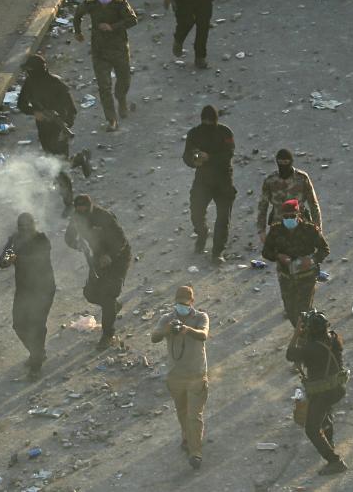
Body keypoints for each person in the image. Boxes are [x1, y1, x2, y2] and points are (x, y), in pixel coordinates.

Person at [17, 55, 91, 213]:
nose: (27, 74)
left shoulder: (57, 84)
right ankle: (79, 159)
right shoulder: (30, 83)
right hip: (43, 131)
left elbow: (72, 110)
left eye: (30, 71)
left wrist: (65, 128)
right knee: (54, 163)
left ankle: (68, 202)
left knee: (59, 168)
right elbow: (21, 104)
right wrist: (35, 112)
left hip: (59, 131)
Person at [151, 285, 210, 471]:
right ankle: (187, 437)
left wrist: (188, 330)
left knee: (195, 415)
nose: (181, 307)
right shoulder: (167, 318)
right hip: (175, 376)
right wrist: (166, 330)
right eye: (178, 304)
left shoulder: (200, 317)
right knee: (182, 412)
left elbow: (204, 335)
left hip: (196, 374)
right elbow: (154, 337)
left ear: (192, 302)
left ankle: (196, 453)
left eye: (185, 304)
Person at [286, 309, 349, 475]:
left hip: (323, 392)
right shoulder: (334, 338)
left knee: (311, 429)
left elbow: (290, 354)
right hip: (336, 389)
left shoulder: (312, 348)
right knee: (325, 415)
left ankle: (335, 461)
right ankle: (330, 443)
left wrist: (297, 331)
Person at [65, 194, 132, 350]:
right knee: (91, 293)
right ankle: (113, 307)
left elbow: (121, 240)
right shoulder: (76, 218)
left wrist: (110, 256)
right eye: (79, 210)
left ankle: (107, 334)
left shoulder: (104, 216)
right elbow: (68, 237)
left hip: (118, 257)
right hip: (96, 257)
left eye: (85, 209)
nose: (82, 212)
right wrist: (78, 245)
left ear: (91, 206)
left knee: (108, 295)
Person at [73, 0, 138, 132]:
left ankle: (121, 99)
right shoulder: (90, 3)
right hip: (99, 51)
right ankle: (111, 119)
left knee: (124, 80)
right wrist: (78, 32)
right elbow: (77, 15)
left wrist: (112, 27)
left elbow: (133, 20)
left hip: (119, 49)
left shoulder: (120, 4)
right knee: (104, 87)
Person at [0, 213, 56, 379]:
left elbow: (39, 259)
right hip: (24, 290)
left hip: (43, 289)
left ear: (33, 226)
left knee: (37, 326)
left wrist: (19, 258)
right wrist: (9, 258)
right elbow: (3, 259)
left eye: (27, 227)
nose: (25, 231)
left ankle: (36, 366)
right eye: (21, 228)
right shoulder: (15, 240)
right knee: (19, 325)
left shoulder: (41, 240)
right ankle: (37, 353)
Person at [263, 199, 330, 326]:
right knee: (290, 311)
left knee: (303, 311)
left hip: (306, 277)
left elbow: (324, 249)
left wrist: (311, 260)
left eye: (292, 216)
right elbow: (266, 252)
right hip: (286, 277)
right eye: (286, 216)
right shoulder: (276, 231)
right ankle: (301, 332)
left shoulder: (309, 230)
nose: (289, 219)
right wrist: (278, 256)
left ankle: (305, 338)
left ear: (299, 215)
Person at [183, 105, 235, 264]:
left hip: (223, 180)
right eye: (205, 122)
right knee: (196, 213)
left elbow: (228, 154)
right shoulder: (194, 134)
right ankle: (202, 234)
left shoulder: (225, 132)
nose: (207, 125)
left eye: (210, 122)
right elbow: (186, 156)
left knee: (223, 218)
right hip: (203, 180)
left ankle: (217, 252)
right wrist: (194, 160)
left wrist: (209, 157)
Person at [256, 148, 323, 244]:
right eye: (280, 162)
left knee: (303, 255)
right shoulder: (270, 181)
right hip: (278, 225)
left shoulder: (302, 178)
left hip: (300, 224)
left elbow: (313, 204)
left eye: (286, 162)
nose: (283, 165)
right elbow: (262, 206)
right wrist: (261, 230)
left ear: (291, 162)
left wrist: (317, 228)